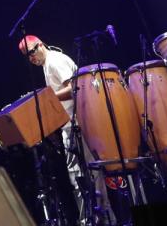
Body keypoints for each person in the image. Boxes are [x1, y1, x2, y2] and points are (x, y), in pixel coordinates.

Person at [19, 34, 111, 224]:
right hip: (72, 122)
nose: (31, 58)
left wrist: (44, 99)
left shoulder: (54, 61)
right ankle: (98, 217)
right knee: (85, 173)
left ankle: (94, 219)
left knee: (81, 173)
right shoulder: (48, 64)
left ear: (40, 45)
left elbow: (75, 87)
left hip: (78, 123)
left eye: (32, 52)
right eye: (27, 56)